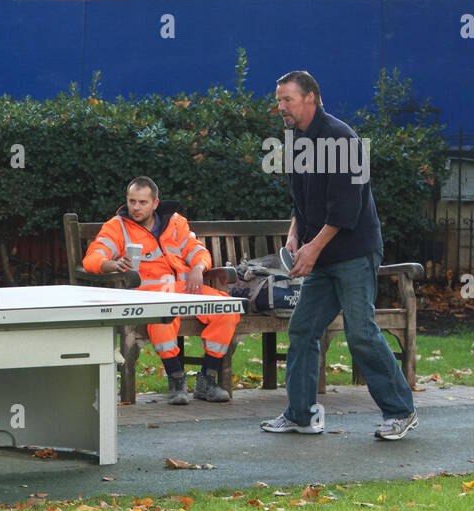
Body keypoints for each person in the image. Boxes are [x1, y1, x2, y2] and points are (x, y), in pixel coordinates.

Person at [261, 71, 418, 440]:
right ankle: (301, 414)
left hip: (353, 252)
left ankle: (401, 411)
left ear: (311, 97)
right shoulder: (296, 140)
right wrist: (294, 238)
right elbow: (303, 203)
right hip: (322, 255)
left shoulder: (342, 139)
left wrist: (313, 249)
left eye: (288, 99)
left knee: (360, 332)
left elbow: (344, 211)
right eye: (279, 100)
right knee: (303, 329)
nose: (280, 107)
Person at [84, 177, 239, 404]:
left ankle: (208, 380)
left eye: (142, 202)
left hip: (186, 290)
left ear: (155, 203)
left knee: (226, 309)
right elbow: (92, 258)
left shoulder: (175, 222)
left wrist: (198, 267)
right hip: (151, 295)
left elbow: (197, 250)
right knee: (161, 318)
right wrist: (111, 265)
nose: (135, 208)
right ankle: (176, 379)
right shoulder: (117, 227)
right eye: (132, 201)